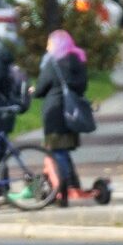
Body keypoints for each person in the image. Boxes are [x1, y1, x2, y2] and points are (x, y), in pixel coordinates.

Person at [33, 30, 89, 207]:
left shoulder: (53, 62)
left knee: (57, 153)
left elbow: (41, 88)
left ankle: (62, 193)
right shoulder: (78, 60)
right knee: (64, 152)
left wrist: (33, 91)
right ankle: (73, 185)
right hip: (71, 112)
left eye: (50, 43)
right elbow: (82, 86)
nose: (47, 47)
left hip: (55, 112)